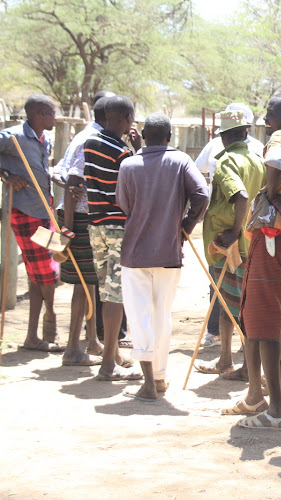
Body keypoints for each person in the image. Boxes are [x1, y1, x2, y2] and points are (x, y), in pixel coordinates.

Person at [223, 93, 281, 427]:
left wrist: (273, 195)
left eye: (270, 112)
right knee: (256, 315)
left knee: (265, 319)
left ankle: (277, 410)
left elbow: (275, 163)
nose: (264, 118)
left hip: (273, 234)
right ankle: (255, 395)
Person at [117, 113, 209, 401]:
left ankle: (148, 382)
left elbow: (123, 204)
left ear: (144, 135)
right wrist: (185, 227)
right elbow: (202, 195)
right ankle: (158, 377)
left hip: (135, 252)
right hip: (169, 251)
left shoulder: (129, 165)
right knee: (161, 316)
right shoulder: (181, 160)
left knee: (138, 316)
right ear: (170, 136)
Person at [195, 110, 265, 381]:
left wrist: (234, 232)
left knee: (236, 307)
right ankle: (225, 360)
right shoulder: (256, 160)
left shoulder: (226, 162)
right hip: (252, 241)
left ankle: (247, 368)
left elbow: (241, 196)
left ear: (223, 137)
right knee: (231, 304)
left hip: (231, 244)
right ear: (245, 133)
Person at [52, 91, 114, 365]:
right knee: (81, 283)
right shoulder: (90, 139)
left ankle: (91, 341)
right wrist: (67, 231)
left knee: (90, 281)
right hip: (77, 220)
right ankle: (71, 349)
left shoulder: (94, 136)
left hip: (79, 218)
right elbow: (72, 182)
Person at [83, 95, 142, 381]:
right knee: (116, 295)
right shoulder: (123, 153)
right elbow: (133, 188)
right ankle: (108, 364)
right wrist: (138, 150)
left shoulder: (90, 143)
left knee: (106, 292)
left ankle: (113, 353)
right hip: (119, 227)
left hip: (96, 226)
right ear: (128, 120)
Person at [0, 94, 60, 351]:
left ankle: (33, 335)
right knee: (45, 273)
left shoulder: (44, 139)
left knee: (51, 266)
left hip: (45, 213)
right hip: (25, 213)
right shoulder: (12, 137)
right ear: (41, 114)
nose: (55, 118)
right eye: (52, 114)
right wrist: (6, 176)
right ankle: (49, 318)